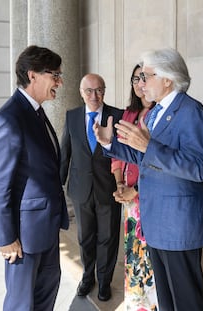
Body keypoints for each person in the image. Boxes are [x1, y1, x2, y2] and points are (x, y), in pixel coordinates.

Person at [94, 48, 203, 310]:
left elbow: (198, 168)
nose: (141, 83)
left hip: (178, 225)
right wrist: (110, 144)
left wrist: (148, 147)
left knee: (186, 302)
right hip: (156, 222)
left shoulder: (191, 111)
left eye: (146, 76)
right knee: (167, 301)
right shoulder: (155, 112)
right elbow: (145, 157)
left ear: (168, 79)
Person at [0, 45, 69, 310]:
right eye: (55, 75)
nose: (60, 81)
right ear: (33, 75)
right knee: (22, 303)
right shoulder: (10, 117)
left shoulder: (36, 112)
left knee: (46, 294)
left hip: (45, 229)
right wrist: (6, 237)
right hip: (23, 237)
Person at [60, 73, 123, 302]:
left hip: (109, 189)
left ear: (104, 91)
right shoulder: (72, 116)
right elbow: (65, 153)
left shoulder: (117, 115)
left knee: (108, 237)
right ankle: (88, 278)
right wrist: (59, 185)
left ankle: (104, 281)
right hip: (81, 189)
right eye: (89, 91)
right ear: (81, 92)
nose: (94, 95)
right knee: (85, 237)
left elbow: (124, 156)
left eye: (99, 90)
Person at [111, 64, 158, 311]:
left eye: (144, 77)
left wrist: (136, 190)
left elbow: (158, 161)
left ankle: (153, 304)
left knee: (150, 252)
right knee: (133, 252)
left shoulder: (159, 114)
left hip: (150, 197)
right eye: (135, 78)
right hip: (129, 198)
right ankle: (136, 302)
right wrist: (119, 183)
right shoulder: (128, 114)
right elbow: (117, 156)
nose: (139, 83)